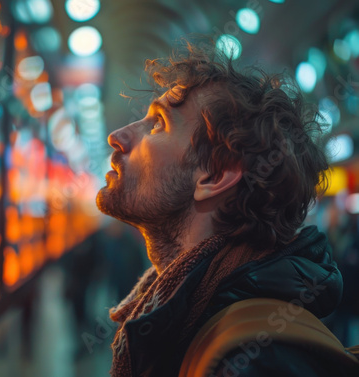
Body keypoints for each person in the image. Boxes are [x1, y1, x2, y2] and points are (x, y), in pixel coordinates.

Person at [96, 39, 344, 377]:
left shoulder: (253, 360)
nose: (117, 136)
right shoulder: (192, 316)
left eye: (157, 124)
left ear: (214, 175)